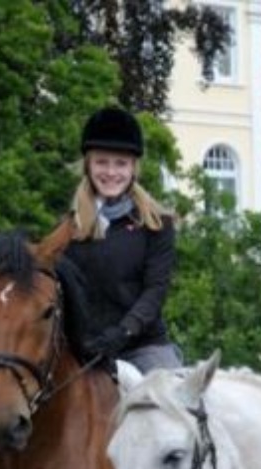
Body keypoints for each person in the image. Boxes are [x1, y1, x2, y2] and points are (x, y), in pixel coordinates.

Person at [65, 106, 184, 374]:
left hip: (143, 345)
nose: (111, 172)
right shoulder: (70, 227)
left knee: (179, 403)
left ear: (133, 168)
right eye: (102, 162)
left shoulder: (157, 224)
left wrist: (124, 331)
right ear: (88, 164)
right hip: (84, 347)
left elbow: (155, 291)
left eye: (121, 163)